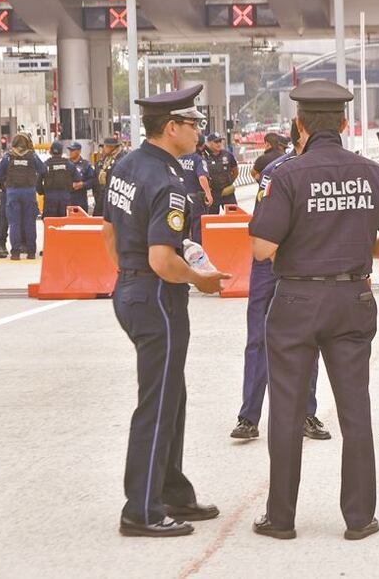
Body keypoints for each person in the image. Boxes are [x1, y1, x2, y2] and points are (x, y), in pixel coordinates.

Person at [248, 79, 379, 542]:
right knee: (355, 409)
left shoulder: (285, 175)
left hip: (297, 299)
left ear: (299, 125)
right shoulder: (375, 173)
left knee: (285, 409)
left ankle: (280, 518)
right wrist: (360, 250)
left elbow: (262, 247)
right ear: (344, 124)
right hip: (352, 298)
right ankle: (359, 518)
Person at [101, 84, 230, 538]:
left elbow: (109, 232)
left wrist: (130, 277)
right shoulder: (168, 183)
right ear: (171, 127)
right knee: (157, 403)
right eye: (193, 123)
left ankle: (173, 490)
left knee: (172, 395)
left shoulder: (127, 164)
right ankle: (142, 510)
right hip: (157, 295)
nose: (198, 131)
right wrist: (202, 280)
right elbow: (163, 259)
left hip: (134, 289)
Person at [231, 120, 329, 444]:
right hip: (270, 265)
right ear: (301, 134)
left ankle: (305, 413)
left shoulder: (323, 170)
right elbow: (261, 227)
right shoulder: (275, 171)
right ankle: (249, 416)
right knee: (259, 339)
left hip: (306, 267)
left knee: (307, 341)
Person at [0, 132, 46, 260]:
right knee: (29, 223)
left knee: (14, 223)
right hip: (29, 192)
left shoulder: (8, 157)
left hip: (12, 192)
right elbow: (43, 170)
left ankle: (15, 253)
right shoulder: (32, 156)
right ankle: (31, 252)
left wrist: (5, 181)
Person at [177, 137, 213, 244]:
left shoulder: (178, 158)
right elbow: (202, 177)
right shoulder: (198, 159)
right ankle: (197, 253)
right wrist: (208, 194)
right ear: (201, 146)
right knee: (197, 228)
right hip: (194, 199)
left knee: (181, 228)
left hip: (178, 197)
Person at [39, 140, 80, 219]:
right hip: (65, 198)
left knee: (50, 224)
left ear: (50, 151)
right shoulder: (69, 164)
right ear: (62, 152)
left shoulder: (46, 165)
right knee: (65, 224)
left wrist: (43, 192)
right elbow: (78, 179)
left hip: (50, 199)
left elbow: (38, 183)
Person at [204, 134, 239, 213]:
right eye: (216, 142)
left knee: (234, 216)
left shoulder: (228, 155)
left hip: (227, 192)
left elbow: (235, 171)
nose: (219, 144)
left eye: (220, 141)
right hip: (212, 193)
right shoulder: (204, 156)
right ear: (209, 143)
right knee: (211, 220)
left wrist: (229, 182)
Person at [92, 138, 125, 216]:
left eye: (105, 146)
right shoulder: (105, 160)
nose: (103, 149)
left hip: (112, 197)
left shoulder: (120, 161)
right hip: (102, 195)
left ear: (112, 147)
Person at [66, 142, 95, 213]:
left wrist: (83, 184)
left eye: (72, 150)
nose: (70, 152)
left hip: (80, 198)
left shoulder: (86, 165)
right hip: (67, 198)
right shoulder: (65, 164)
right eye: (70, 150)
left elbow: (92, 180)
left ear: (79, 151)